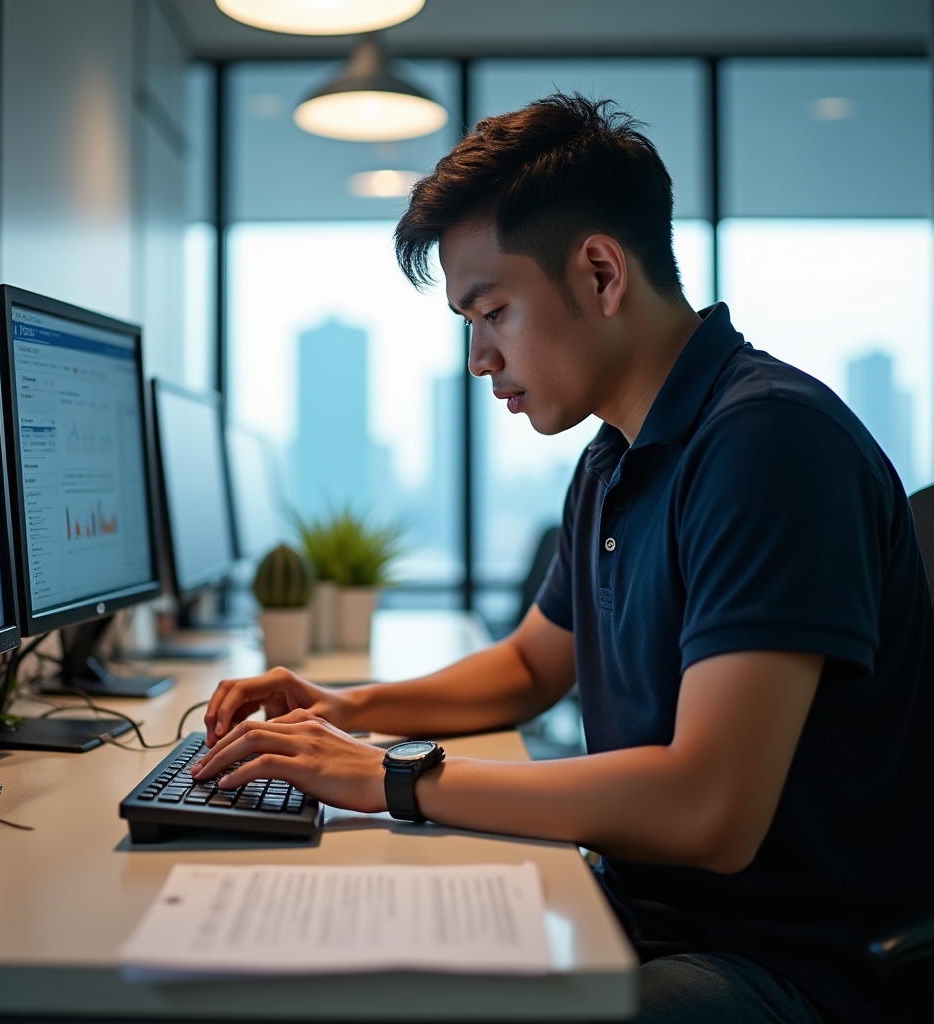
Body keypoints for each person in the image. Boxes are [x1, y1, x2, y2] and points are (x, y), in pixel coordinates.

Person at [194, 95, 934, 1023]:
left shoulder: (767, 444)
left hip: (785, 967)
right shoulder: (615, 456)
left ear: (598, 272)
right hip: (643, 913)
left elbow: (711, 809)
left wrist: (386, 778)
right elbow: (528, 667)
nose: (480, 358)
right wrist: (344, 710)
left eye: (492, 311)